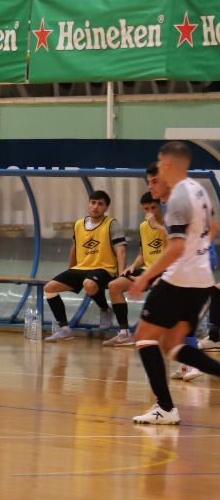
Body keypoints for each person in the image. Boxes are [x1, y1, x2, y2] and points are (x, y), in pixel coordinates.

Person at [127, 142, 220, 424]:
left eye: (159, 161)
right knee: (172, 344)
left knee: (143, 337)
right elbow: (213, 227)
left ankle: (165, 408)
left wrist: (144, 277)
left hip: (179, 279)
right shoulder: (199, 189)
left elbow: (177, 248)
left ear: (167, 163)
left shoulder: (179, 197)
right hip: (201, 279)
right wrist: (200, 249)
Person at [41, 190, 124, 342]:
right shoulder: (79, 224)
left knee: (89, 284)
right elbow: (74, 248)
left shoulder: (112, 224)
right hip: (81, 268)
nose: (95, 207)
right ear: (88, 204)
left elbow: (121, 250)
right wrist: (70, 269)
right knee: (49, 288)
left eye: (100, 204)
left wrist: (122, 272)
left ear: (106, 208)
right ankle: (65, 329)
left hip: (105, 268)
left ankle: (105, 309)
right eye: (93, 202)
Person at [104, 190, 166, 349]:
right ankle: (124, 333)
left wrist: (157, 226)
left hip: (166, 270)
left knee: (160, 288)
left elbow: (176, 247)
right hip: (147, 268)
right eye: (146, 209)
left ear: (161, 206)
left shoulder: (170, 224)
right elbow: (142, 255)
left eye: (153, 208)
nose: (150, 212)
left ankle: (161, 333)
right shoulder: (143, 227)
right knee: (114, 286)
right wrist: (132, 266)